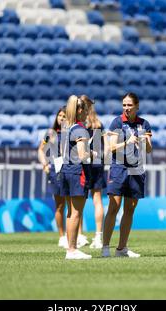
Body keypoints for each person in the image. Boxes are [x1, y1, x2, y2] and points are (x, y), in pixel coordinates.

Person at [102, 92, 152, 258]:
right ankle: (105, 247)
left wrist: (145, 141)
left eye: (129, 105)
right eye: (124, 105)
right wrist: (127, 142)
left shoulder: (144, 123)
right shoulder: (117, 122)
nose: (126, 108)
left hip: (136, 169)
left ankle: (121, 248)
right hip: (119, 168)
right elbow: (111, 148)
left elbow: (149, 150)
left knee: (130, 209)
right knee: (113, 207)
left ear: (137, 106)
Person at [60, 95, 92, 259]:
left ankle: (70, 248)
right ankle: (72, 250)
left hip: (66, 170)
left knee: (70, 212)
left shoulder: (68, 127)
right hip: (76, 172)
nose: (87, 113)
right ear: (80, 110)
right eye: (86, 110)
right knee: (76, 213)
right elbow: (82, 155)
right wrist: (93, 153)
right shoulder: (80, 129)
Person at [80, 95, 109, 249]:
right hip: (97, 163)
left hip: (83, 163)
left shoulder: (79, 124)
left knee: (79, 200)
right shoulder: (98, 124)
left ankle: (80, 236)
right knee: (97, 199)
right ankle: (98, 236)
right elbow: (106, 146)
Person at [38, 107, 68, 249]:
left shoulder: (73, 132)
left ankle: (75, 235)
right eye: (60, 115)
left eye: (64, 116)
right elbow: (41, 150)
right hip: (56, 170)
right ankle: (62, 236)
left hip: (70, 169)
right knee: (60, 205)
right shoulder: (50, 133)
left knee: (73, 205)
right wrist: (44, 164)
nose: (61, 118)